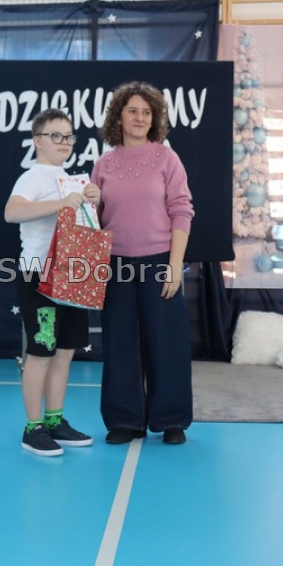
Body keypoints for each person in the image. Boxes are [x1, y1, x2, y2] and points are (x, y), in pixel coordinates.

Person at [91, 81, 194, 445]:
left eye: (146, 112)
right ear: (118, 117)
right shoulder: (103, 164)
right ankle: (124, 420)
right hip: (116, 265)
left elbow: (181, 211)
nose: (139, 117)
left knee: (167, 343)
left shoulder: (167, 159)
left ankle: (171, 419)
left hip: (159, 262)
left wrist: (174, 265)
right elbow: (94, 219)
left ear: (154, 119)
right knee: (120, 344)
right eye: (132, 110)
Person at [4, 108, 100, 456]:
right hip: (38, 275)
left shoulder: (72, 180)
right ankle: (32, 428)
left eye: (69, 136)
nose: (64, 142)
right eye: (55, 135)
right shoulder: (32, 177)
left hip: (71, 274)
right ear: (38, 141)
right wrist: (62, 203)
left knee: (64, 352)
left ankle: (54, 420)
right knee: (41, 351)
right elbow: (11, 212)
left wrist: (92, 201)